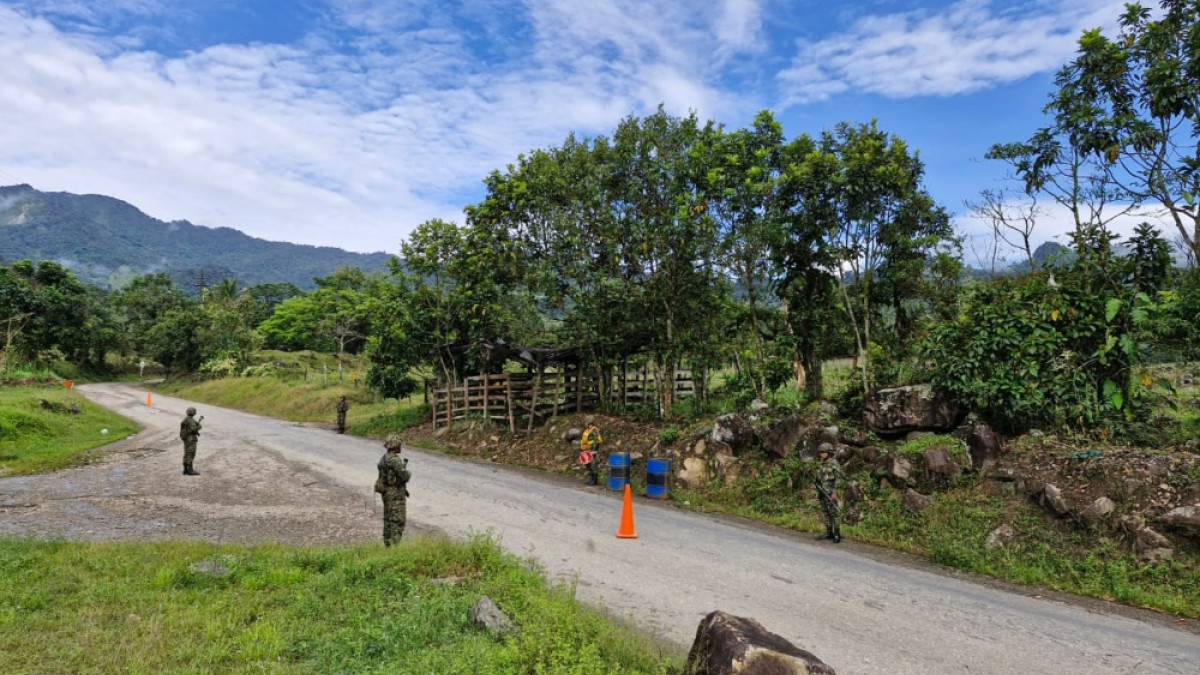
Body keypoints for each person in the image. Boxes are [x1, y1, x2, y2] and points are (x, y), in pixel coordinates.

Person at [376, 434, 411, 546]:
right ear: (395, 446)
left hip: (386, 492)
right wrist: (408, 473)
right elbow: (405, 476)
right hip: (395, 493)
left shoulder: (384, 458)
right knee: (397, 521)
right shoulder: (394, 460)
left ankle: (387, 545)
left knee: (388, 520)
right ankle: (394, 547)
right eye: (399, 444)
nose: (400, 446)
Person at [814, 443, 845, 543]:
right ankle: (829, 532)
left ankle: (837, 534)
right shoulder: (821, 463)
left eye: (823, 452)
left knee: (834, 513)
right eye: (820, 452)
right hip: (822, 491)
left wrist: (835, 492)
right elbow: (820, 477)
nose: (821, 454)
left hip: (831, 492)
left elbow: (838, 479)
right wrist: (816, 484)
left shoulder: (834, 463)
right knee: (825, 512)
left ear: (828, 453)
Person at [180, 407, 203, 476]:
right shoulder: (190, 421)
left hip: (186, 439)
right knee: (191, 453)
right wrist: (199, 426)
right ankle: (190, 470)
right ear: (194, 413)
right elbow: (193, 429)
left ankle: (185, 469)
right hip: (191, 439)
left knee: (186, 453)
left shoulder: (185, 419)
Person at [580, 415, 603, 486]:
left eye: (586, 422)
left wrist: (593, 451)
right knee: (588, 465)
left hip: (592, 451)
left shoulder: (594, 430)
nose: (585, 423)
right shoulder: (587, 430)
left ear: (589, 422)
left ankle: (595, 480)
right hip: (586, 450)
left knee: (593, 465)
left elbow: (596, 442)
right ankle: (591, 477)